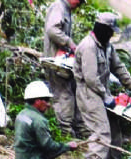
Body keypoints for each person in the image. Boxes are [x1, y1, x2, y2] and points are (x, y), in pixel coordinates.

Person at [73, 12, 131, 159]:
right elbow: (90, 77)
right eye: (110, 31)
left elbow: (118, 67)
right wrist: (106, 96)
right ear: (103, 29)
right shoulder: (88, 46)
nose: (111, 35)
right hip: (89, 93)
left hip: (101, 90)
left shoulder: (107, 46)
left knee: (114, 128)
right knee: (102, 130)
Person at [43, 0, 84, 137]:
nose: (79, 4)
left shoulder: (65, 9)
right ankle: (64, 132)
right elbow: (52, 30)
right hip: (55, 61)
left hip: (62, 60)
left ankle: (75, 129)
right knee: (64, 94)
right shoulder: (59, 6)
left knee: (71, 91)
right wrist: (69, 42)